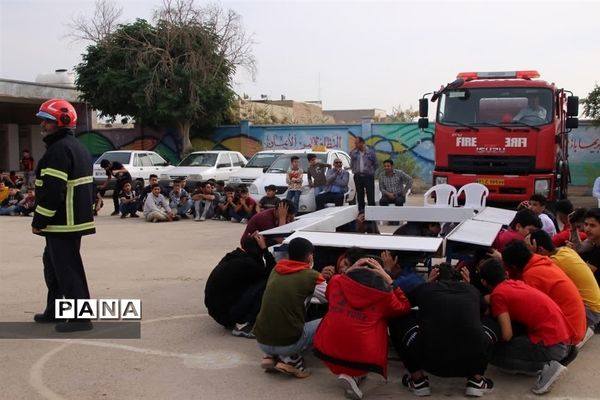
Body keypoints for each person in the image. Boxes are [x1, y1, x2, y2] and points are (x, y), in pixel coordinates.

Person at [32, 98, 96, 332]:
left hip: (62, 223)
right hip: (70, 221)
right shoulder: (75, 147)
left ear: (62, 121)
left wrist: (39, 221)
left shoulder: (58, 151)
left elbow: (52, 193)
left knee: (67, 269)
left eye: (47, 121)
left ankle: (80, 319)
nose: (42, 125)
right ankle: (55, 309)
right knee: (53, 266)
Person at [389, 264, 496, 398]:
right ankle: (476, 380)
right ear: (461, 279)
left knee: (397, 318)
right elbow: (483, 311)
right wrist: (469, 287)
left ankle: (418, 380)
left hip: (429, 360)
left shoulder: (426, 288)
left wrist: (427, 284)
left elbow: (403, 304)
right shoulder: (472, 290)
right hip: (470, 360)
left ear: (435, 278)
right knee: (491, 321)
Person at [314, 256, 411, 400]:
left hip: (327, 349)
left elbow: (329, 294)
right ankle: (354, 374)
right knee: (379, 322)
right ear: (379, 274)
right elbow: (404, 307)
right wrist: (389, 279)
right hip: (363, 355)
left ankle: (352, 376)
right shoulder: (384, 296)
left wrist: (350, 270)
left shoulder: (336, 281)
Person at [479, 259, 576, 395]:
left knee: (493, 354)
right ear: (506, 274)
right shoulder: (516, 283)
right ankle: (561, 356)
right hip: (564, 337)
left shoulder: (498, 296)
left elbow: (507, 334)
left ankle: (546, 367)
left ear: (483, 282)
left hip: (551, 344)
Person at [253, 237, 327, 378]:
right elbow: (331, 298)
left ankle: (270, 356)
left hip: (262, 341)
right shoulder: (312, 276)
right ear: (310, 256)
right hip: (288, 343)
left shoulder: (276, 269)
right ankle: (291, 359)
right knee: (326, 321)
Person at [501, 240, 587, 344]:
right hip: (576, 326)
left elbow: (526, 311)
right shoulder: (541, 262)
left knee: (509, 344)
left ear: (513, 266)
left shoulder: (532, 276)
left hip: (567, 332)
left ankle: (550, 358)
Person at [529, 230, 600, 340]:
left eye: (528, 248)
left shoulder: (554, 262)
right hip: (595, 305)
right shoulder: (565, 250)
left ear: (541, 249)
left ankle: (570, 343)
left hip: (589, 311)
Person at [204, 232, 276, 338]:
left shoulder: (235, 256)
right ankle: (243, 324)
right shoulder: (247, 263)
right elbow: (272, 272)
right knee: (266, 283)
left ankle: (242, 318)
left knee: (258, 282)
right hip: (226, 315)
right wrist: (265, 250)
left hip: (217, 310)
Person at [350, 137, 377, 211]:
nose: (355, 145)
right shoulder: (354, 153)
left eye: (356, 143)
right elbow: (351, 164)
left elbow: (375, 164)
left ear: (362, 143)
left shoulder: (371, 153)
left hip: (368, 176)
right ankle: (361, 213)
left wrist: (371, 172)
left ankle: (372, 215)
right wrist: (354, 171)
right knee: (360, 196)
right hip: (358, 176)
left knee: (370, 196)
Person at [579, 208, 600, 286]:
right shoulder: (593, 244)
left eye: (592, 225)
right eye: (586, 224)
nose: (587, 229)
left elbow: (585, 272)